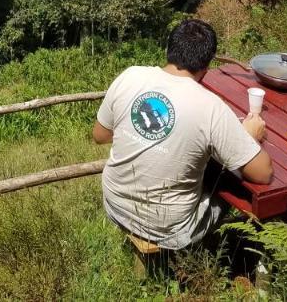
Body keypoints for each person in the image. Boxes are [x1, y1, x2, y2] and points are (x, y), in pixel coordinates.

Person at [92, 19, 273, 249]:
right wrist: (249, 137)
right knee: (226, 181)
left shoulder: (130, 76)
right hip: (170, 230)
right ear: (206, 69)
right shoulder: (210, 107)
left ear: (167, 50)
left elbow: (100, 135)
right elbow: (263, 173)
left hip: (115, 204)